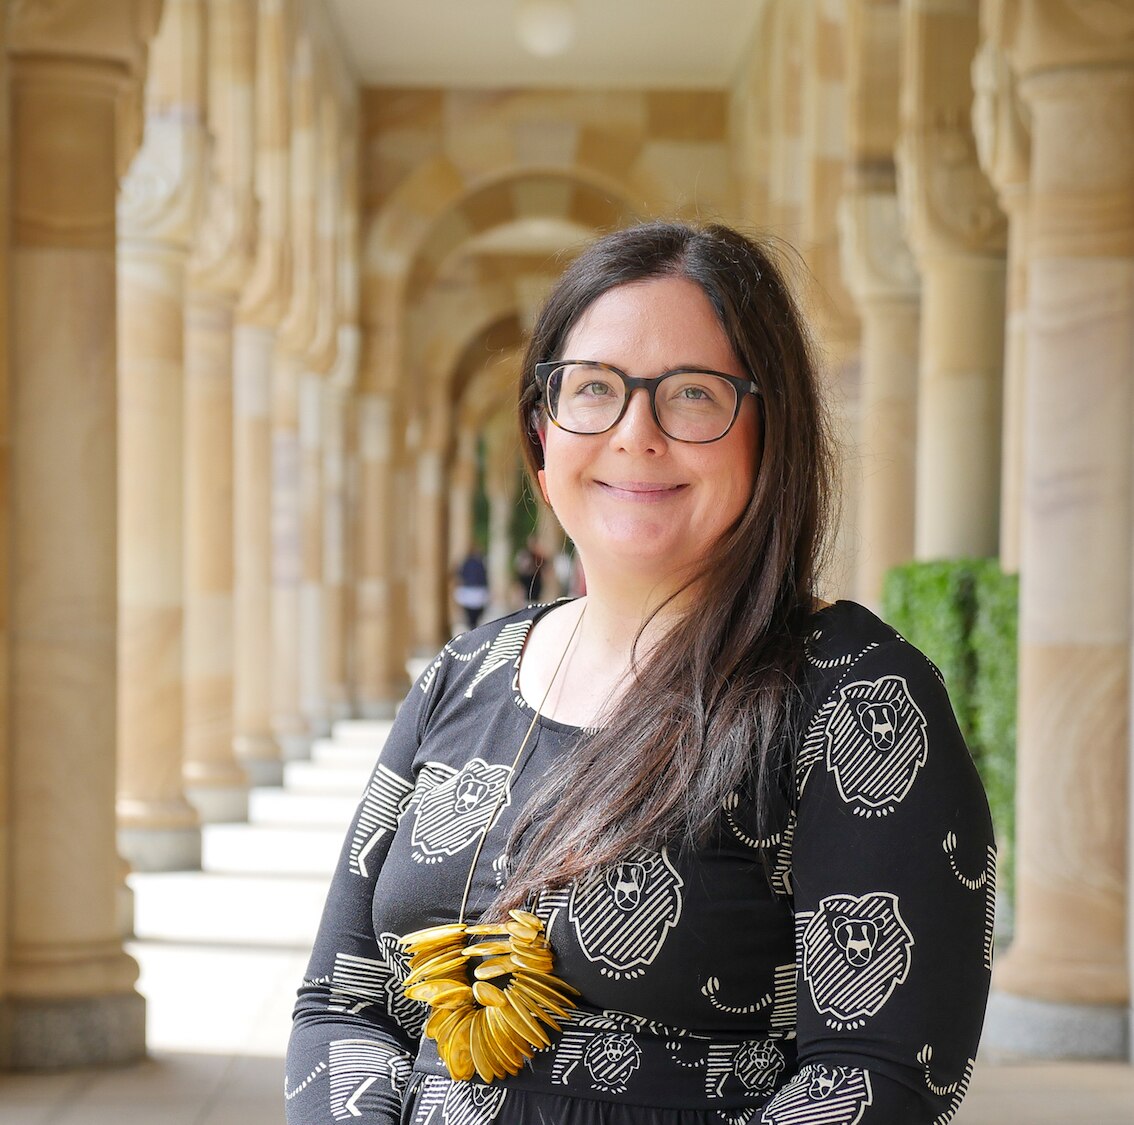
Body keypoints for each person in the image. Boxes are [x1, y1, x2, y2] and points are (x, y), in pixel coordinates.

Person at [286, 221, 995, 1124]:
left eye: (692, 395)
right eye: (594, 390)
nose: (635, 433)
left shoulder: (855, 695)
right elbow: (340, 1003)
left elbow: (878, 1077)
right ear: (543, 432)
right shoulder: (465, 673)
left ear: (769, 432)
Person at [453, 548, 491, 630]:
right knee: (475, 615)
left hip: (470, 592)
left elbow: (461, 574)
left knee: (470, 615)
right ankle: (473, 625)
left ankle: (472, 625)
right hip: (477, 592)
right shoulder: (480, 563)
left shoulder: (467, 563)